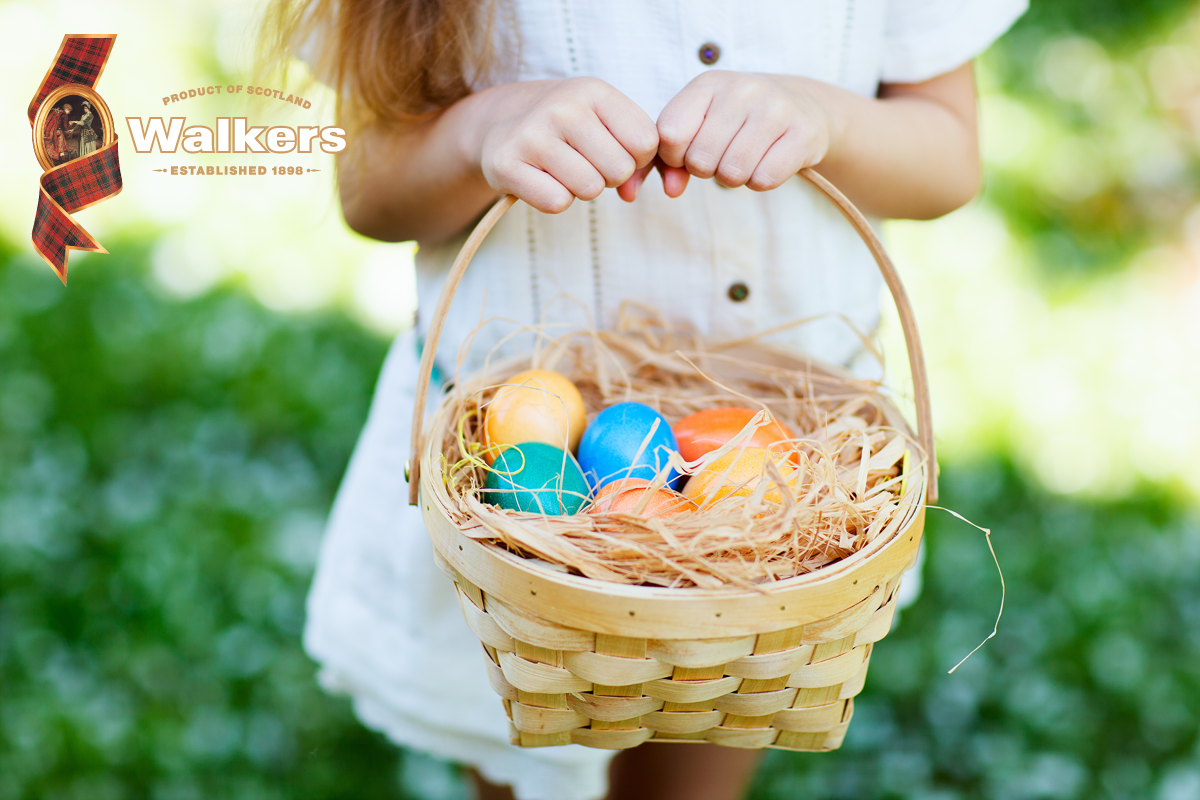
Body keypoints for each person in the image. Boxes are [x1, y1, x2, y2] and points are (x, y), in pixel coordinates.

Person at [263, 1, 1027, 798]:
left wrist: (824, 117)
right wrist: (477, 133)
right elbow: (368, 192)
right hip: (514, 521)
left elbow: (948, 157)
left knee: (699, 768)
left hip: (780, 496)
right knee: (525, 769)